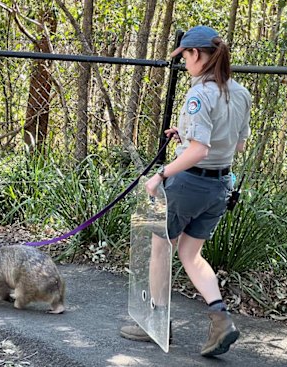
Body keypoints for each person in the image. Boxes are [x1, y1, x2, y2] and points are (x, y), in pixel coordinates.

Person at [120, 25, 252, 357]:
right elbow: (236, 144)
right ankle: (220, 318)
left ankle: (155, 322)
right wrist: (188, 132)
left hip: (189, 183)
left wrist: (159, 175)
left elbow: (199, 152)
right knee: (191, 254)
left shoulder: (198, 94)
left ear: (196, 54)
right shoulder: (240, 92)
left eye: (185, 57)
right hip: (220, 187)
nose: (184, 64)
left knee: (161, 245)